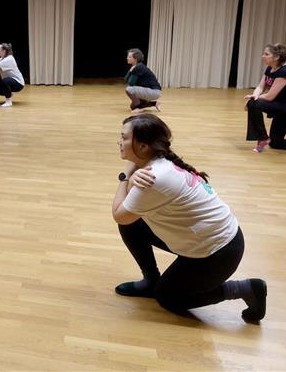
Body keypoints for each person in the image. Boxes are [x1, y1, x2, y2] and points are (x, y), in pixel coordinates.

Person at [111, 114, 267, 322]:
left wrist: (125, 176)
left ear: (143, 147)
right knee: (133, 224)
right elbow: (128, 216)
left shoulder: (154, 177)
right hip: (213, 239)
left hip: (217, 254)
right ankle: (151, 280)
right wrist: (132, 172)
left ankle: (244, 288)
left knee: (167, 298)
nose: (119, 141)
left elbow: (119, 215)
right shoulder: (159, 161)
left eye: (124, 137)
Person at [124, 48, 162, 113]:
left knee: (129, 89)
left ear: (135, 59)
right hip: (150, 91)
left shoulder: (138, 67)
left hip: (154, 92)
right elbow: (125, 80)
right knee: (132, 106)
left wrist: (131, 71)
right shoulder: (136, 66)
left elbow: (131, 83)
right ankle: (154, 103)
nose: (127, 58)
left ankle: (138, 107)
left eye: (129, 57)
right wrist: (130, 71)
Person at [0, 43, 25, 107]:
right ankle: (9, 93)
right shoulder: (0, 59)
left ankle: (9, 101)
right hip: (7, 82)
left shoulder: (9, 59)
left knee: (5, 81)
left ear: (4, 51)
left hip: (18, 83)